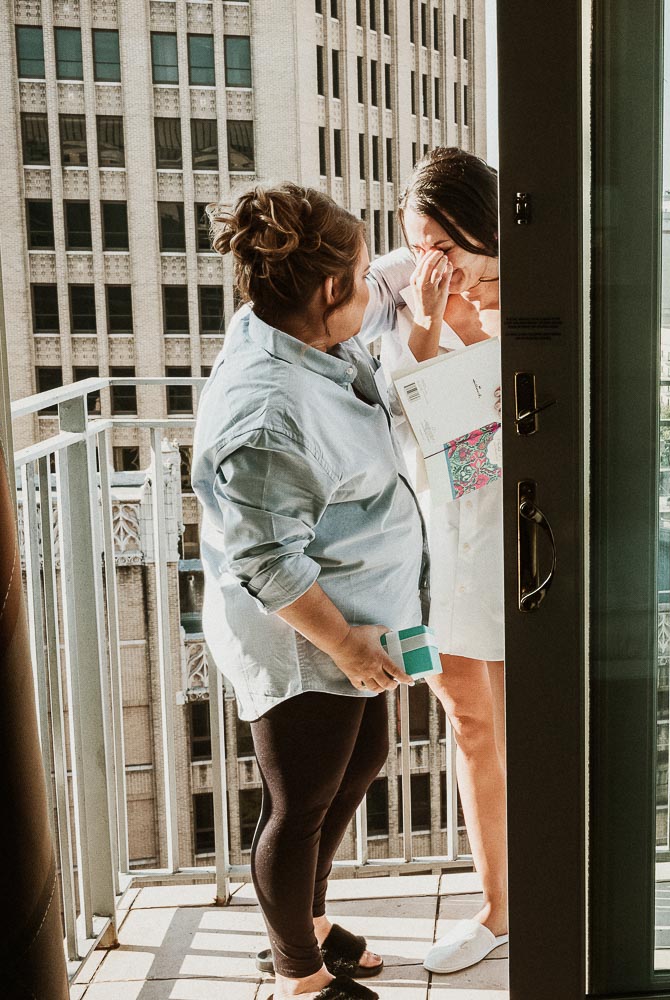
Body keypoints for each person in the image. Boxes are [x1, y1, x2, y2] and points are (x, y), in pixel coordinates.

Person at [193, 184, 426, 1000]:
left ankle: (310, 924)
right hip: (309, 632)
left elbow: (385, 278)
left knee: (361, 758)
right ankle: (297, 973)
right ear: (330, 291)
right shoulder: (268, 412)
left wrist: (438, 256)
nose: (375, 288)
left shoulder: (288, 319)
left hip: (359, 611)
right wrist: (349, 645)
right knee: (298, 805)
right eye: (362, 277)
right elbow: (270, 565)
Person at [362, 147, 508, 975]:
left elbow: (501, 443)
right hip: (438, 542)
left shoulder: (533, 293)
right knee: (471, 721)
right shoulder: (409, 296)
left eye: (446, 245)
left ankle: (546, 887)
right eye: (418, 244)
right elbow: (425, 437)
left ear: (484, 232)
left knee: (529, 724)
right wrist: (421, 324)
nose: (432, 263)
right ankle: (496, 910)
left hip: (519, 539)